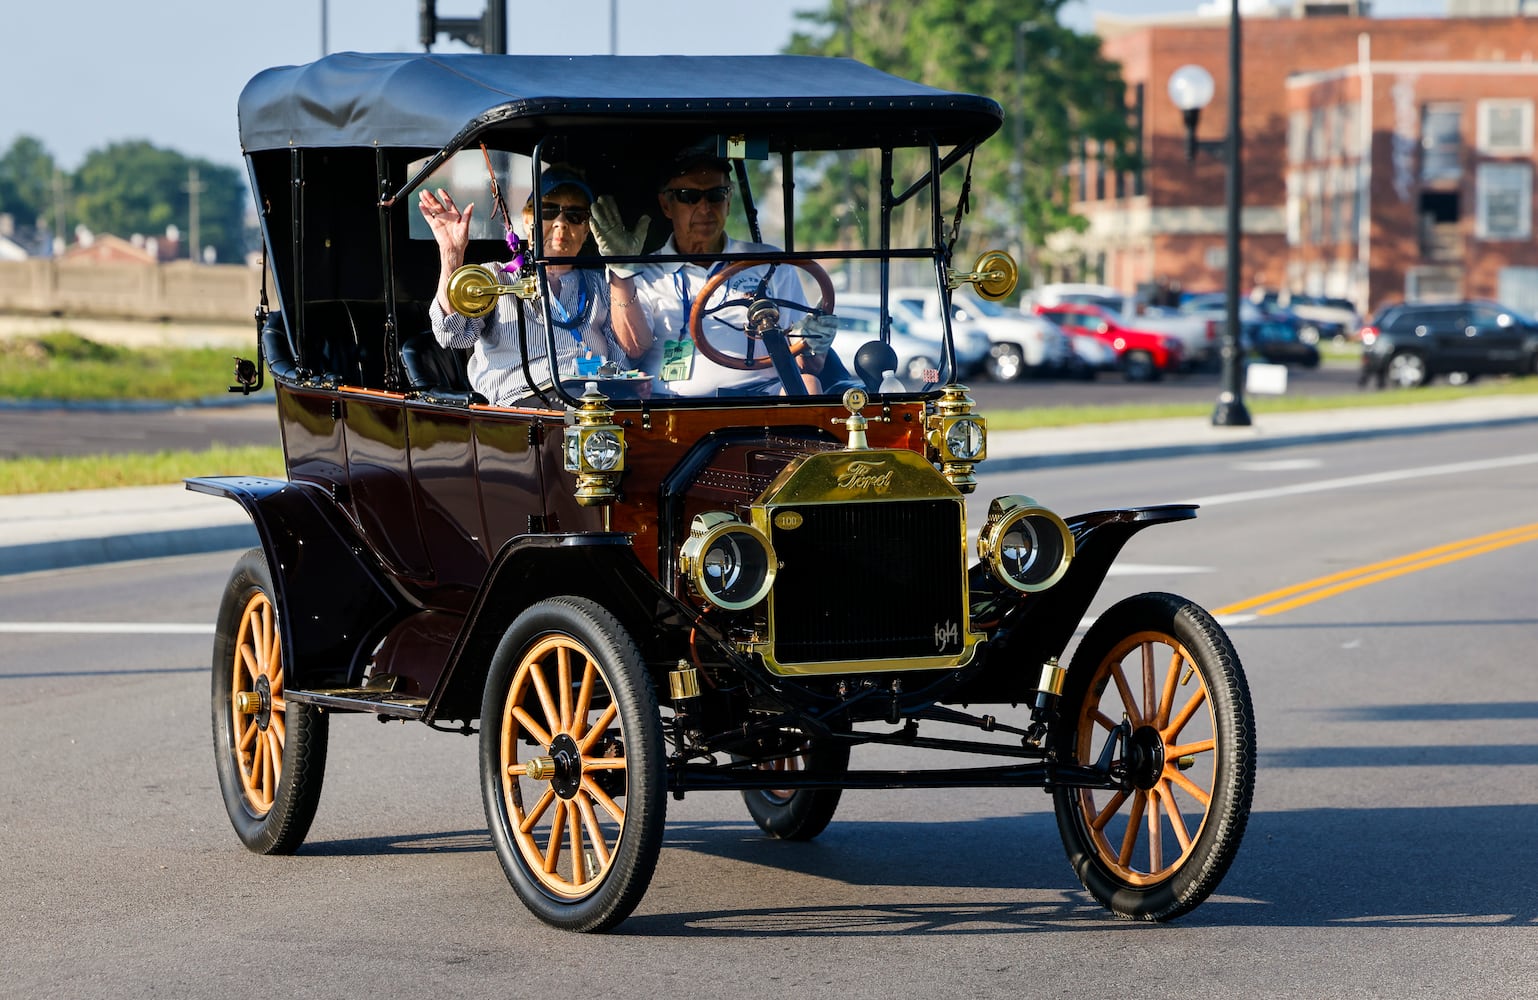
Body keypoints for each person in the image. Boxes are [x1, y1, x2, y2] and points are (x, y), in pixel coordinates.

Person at [593, 150, 835, 396]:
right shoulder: (647, 272)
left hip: (763, 401)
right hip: (671, 408)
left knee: (808, 385)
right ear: (666, 205)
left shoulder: (770, 263)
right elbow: (633, 347)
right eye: (689, 196)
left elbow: (806, 364)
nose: (705, 207)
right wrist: (622, 271)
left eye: (715, 195)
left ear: (728, 201)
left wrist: (814, 343)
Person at [418, 165, 652, 405]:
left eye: (575, 215)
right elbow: (453, 334)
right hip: (526, 405)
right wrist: (451, 254)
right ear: (528, 219)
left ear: (586, 230)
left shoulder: (600, 284)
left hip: (596, 398)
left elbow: (625, 354)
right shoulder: (496, 277)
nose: (561, 222)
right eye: (549, 211)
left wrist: (627, 381)